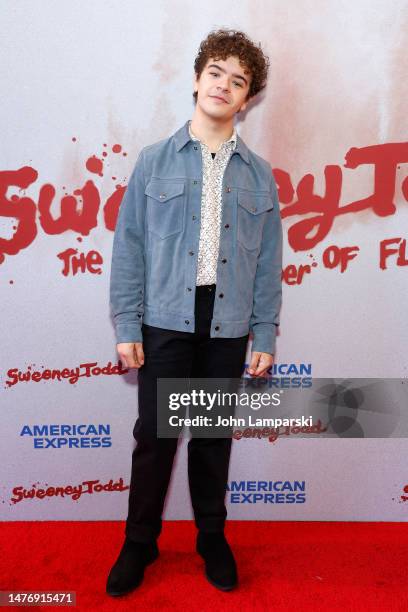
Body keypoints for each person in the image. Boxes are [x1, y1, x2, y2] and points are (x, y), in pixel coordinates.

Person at [107, 28, 283, 596]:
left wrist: (265, 333)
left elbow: (268, 264)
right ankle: (139, 543)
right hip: (163, 319)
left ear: (247, 97)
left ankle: (211, 537)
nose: (224, 86)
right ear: (196, 79)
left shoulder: (260, 177)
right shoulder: (154, 161)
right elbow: (129, 246)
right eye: (216, 73)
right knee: (155, 438)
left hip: (227, 323)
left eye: (239, 81)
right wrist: (127, 325)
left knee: (211, 439)